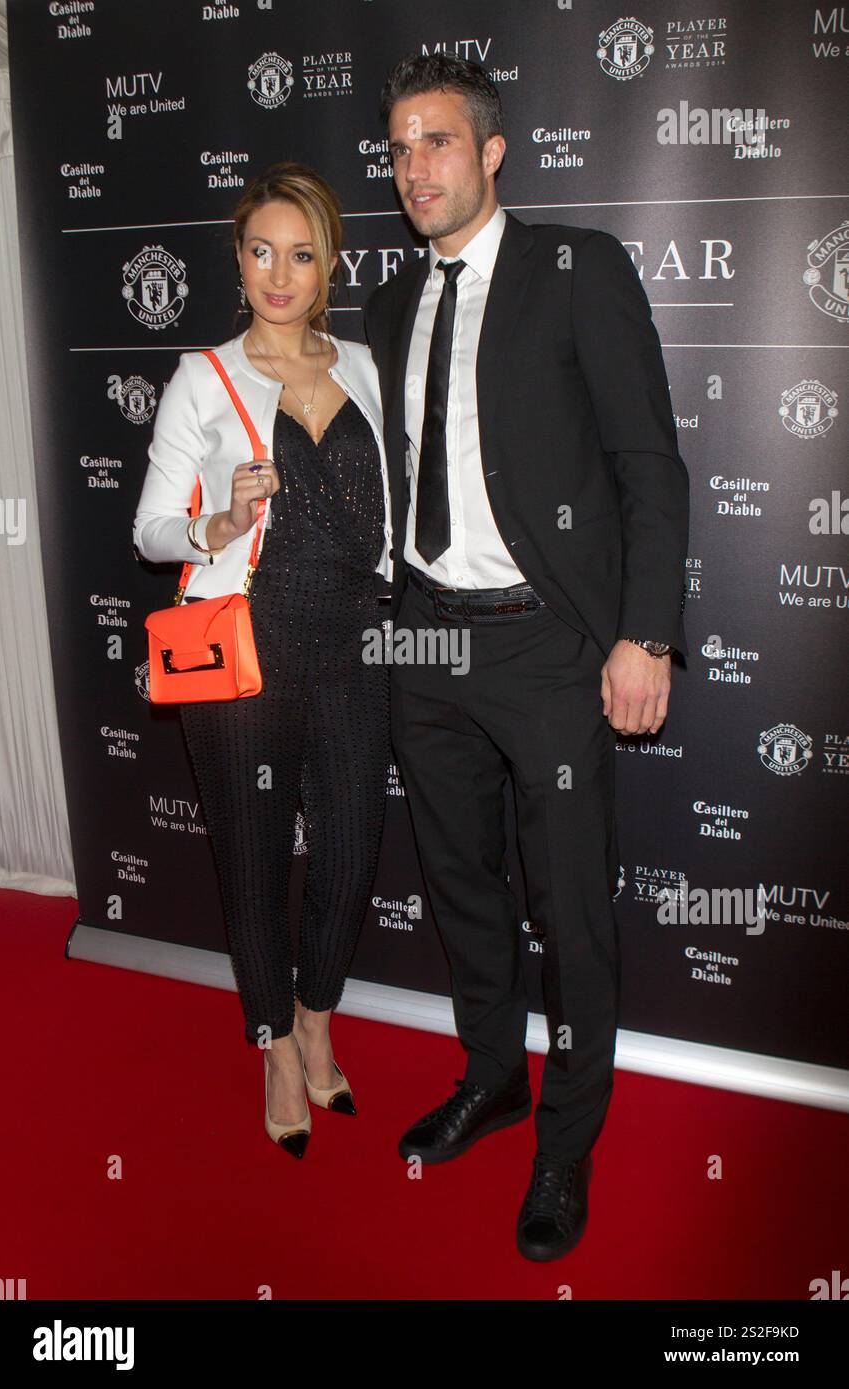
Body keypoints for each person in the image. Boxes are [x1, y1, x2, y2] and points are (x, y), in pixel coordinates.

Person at [363, 55, 689, 1259]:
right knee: (460, 887)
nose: (414, 169)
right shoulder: (392, 303)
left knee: (568, 909)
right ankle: (492, 1075)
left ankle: (566, 1137)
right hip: (425, 635)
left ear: (492, 152)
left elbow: (648, 467)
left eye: (436, 142)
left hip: (550, 646)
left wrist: (641, 631)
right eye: (398, 148)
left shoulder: (574, 271)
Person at [133, 163, 393, 1159]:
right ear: (237, 260)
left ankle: (317, 1016)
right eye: (259, 251)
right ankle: (277, 1049)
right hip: (246, 652)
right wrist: (223, 519)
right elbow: (152, 527)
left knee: (352, 848)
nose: (278, 274)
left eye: (300, 254)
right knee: (250, 864)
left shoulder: (364, 365)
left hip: (352, 645)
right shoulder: (205, 376)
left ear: (328, 263)